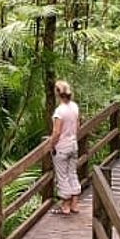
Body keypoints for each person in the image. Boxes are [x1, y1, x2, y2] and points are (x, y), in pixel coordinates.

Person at [46, 80, 81, 215]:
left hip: (62, 147)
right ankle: (74, 204)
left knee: (62, 176)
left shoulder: (59, 111)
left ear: (57, 93)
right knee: (72, 173)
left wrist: (51, 144)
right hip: (73, 145)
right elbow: (77, 126)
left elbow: (56, 132)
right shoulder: (74, 107)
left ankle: (65, 206)